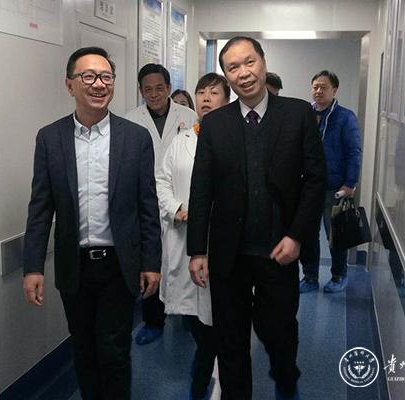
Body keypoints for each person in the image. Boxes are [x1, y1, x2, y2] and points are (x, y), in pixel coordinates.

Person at [187, 37, 326, 400]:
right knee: (230, 340)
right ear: (226, 75)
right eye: (233, 67)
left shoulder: (297, 114)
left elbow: (315, 181)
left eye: (249, 62)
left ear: (263, 62)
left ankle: (285, 379)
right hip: (228, 254)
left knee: (279, 331)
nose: (243, 73)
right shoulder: (215, 124)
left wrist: (297, 235)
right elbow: (201, 189)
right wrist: (197, 250)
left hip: (279, 250)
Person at [22, 47, 162, 400]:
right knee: (83, 349)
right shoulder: (50, 138)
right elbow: (40, 208)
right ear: (70, 85)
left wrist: (151, 262)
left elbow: (147, 205)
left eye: (106, 77)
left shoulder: (135, 138)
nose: (99, 84)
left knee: (113, 351)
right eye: (89, 76)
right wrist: (33, 267)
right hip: (75, 265)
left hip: (119, 264)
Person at [156, 72, 230, 400]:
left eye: (214, 93)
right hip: (185, 238)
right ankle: (203, 377)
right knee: (198, 320)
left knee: (221, 317)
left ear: (227, 100)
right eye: (201, 93)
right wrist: (176, 208)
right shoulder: (181, 140)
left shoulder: (236, 138)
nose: (206, 99)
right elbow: (162, 180)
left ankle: (210, 380)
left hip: (223, 242)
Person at [126, 63, 197, 345]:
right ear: (140, 91)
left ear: (169, 88)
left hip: (181, 201)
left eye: (159, 88)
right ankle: (153, 320)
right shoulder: (131, 120)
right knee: (151, 261)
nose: (153, 94)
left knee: (185, 259)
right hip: (145, 202)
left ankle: (190, 315)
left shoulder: (188, 116)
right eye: (147, 89)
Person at [299, 70, 362, 294]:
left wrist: (350, 183)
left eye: (323, 87)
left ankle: (338, 275)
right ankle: (310, 276)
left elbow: (354, 152)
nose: (318, 91)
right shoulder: (305, 114)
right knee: (307, 234)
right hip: (307, 186)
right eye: (315, 87)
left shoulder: (345, 117)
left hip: (334, 187)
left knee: (335, 235)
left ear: (334, 90)